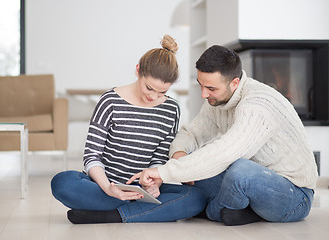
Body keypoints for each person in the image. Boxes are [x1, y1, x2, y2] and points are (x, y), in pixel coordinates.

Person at [128, 45, 318, 226]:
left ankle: (211, 211)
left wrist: (165, 171)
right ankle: (233, 209)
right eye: (201, 85)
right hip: (244, 179)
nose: (203, 94)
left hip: (295, 195)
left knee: (239, 171)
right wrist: (180, 156)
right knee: (196, 169)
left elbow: (227, 151)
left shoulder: (258, 104)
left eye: (211, 89)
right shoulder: (218, 100)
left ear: (234, 83)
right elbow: (191, 133)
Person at [51, 35, 206, 224]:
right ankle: (143, 212)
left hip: (142, 191)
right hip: (104, 186)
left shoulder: (171, 108)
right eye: (149, 88)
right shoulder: (110, 101)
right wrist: (109, 188)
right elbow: (92, 155)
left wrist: (155, 181)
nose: (154, 96)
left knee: (196, 197)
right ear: (138, 70)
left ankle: (112, 215)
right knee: (62, 183)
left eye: (162, 92)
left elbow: (159, 156)